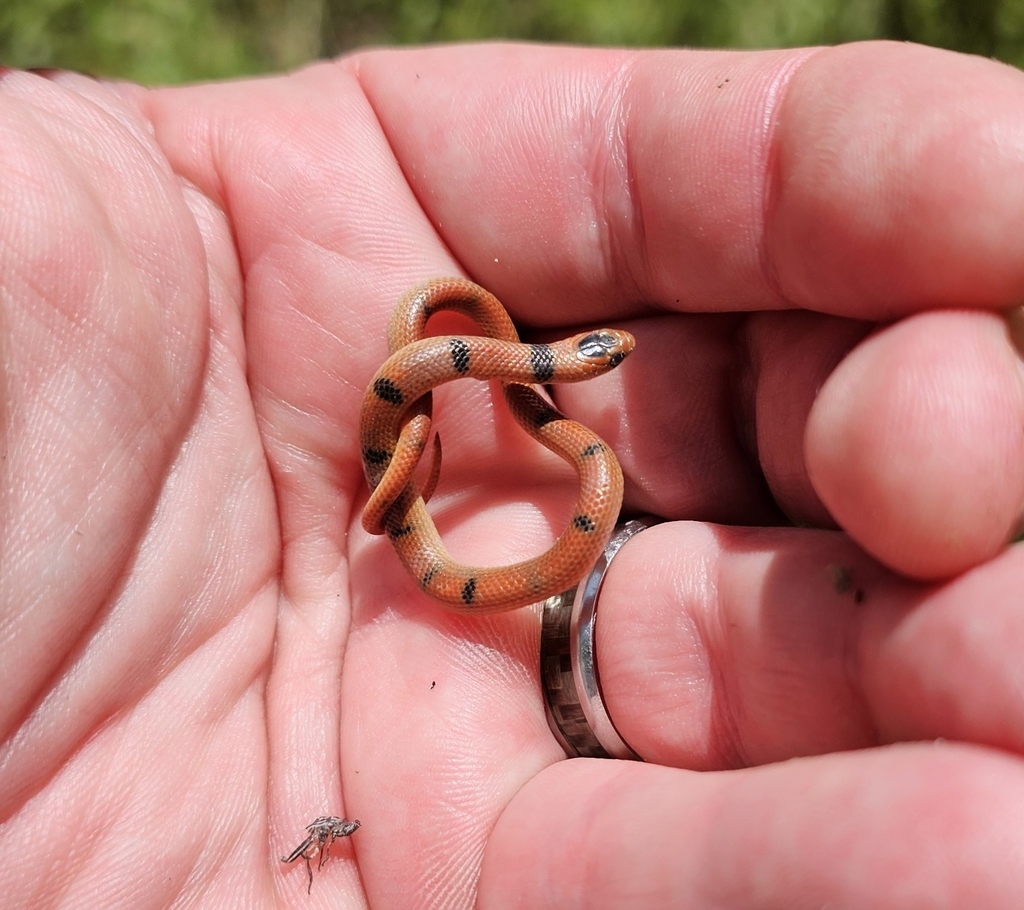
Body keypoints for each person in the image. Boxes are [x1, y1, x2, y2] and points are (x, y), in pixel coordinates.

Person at [1, 39, 1023, 908]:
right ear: (573, 358)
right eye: (601, 356)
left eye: (602, 358)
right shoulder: (491, 394)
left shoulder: (536, 421)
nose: (610, 362)